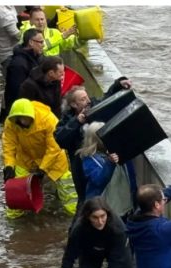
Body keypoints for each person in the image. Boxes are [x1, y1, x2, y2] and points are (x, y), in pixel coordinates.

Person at [54, 79, 134, 228]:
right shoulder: (67, 120)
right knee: (85, 203)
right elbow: (60, 139)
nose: (88, 101)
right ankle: (75, 239)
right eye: (83, 99)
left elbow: (107, 98)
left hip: (104, 162)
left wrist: (117, 85)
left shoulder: (94, 105)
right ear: (73, 105)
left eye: (87, 97)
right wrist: (77, 122)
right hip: (82, 169)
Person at [2, 99, 78, 219]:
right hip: (26, 156)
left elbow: (54, 147)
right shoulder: (10, 122)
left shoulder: (48, 119)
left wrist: (43, 169)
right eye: (19, 118)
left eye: (25, 118)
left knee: (67, 187)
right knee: (16, 189)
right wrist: (9, 165)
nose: (22, 121)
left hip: (54, 157)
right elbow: (8, 144)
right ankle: (13, 218)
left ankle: (75, 215)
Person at [77, 122, 135, 222]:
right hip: (106, 211)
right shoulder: (89, 158)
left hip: (126, 206)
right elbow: (98, 179)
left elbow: (131, 176)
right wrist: (110, 162)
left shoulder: (118, 150)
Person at [61, 197, 134, 268]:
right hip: (91, 250)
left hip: (116, 250)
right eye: (95, 217)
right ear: (88, 217)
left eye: (103, 216)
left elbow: (117, 263)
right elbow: (69, 256)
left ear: (107, 214)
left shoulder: (118, 229)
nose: (100, 222)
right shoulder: (79, 229)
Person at [0, 29, 45, 124]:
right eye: (41, 42)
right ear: (31, 42)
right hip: (20, 112)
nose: (43, 45)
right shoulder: (18, 64)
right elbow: (17, 92)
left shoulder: (36, 58)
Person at [0, 5, 21, 78]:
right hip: (9, 56)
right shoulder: (3, 14)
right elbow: (18, 37)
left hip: (8, 52)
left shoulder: (8, 7)